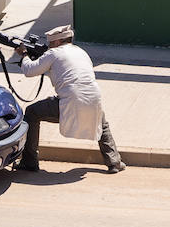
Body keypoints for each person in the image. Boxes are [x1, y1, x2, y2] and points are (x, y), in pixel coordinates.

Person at [15, 25, 124, 173]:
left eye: (51, 43)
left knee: (32, 112)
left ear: (58, 42)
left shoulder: (53, 53)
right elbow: (64, 72)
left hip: (71, 99)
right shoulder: (81, 52)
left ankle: (29, 162)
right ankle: (114, 162)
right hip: (93, 97)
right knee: (101, 123)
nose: (49, 46)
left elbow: (29, 70)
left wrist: (24, 55)